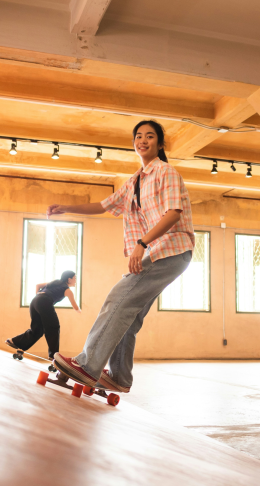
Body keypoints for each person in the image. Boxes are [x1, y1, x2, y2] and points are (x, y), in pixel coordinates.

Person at [47, 120, 195, 392]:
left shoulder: (166, 172)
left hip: (170, 250)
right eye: (138, 136)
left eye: (150, 136)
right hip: (158, 252)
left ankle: (87, 364)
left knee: (119, 299)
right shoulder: (134, 182)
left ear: (160, 144)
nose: (143, 140)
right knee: (131, 312)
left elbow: (174, 213)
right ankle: (120, 377)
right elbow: (103, 206)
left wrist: (142, 242)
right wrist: (67, 207)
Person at [6, 270, 80, 360]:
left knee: (37, 330)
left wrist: (38, 298)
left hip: (35, 301)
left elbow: (38, 285)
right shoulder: (67, 290)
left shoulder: (54, 283)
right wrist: (81, 312)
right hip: (44, 302)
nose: (76, 280)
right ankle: (53, 356)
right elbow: (76, 307)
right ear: (69, 279)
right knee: (53, 327)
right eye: (75, 278)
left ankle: (15, 342)